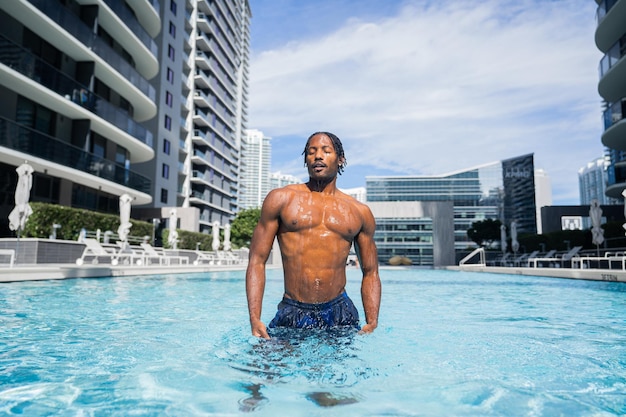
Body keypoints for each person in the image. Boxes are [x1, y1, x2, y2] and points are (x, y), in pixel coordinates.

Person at [246, 131, 381, 339]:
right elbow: (256, 261)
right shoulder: (282, 199)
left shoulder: (359, 211)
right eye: (311, 152)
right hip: (293, 309)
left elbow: (370, 271)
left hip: (339, 311)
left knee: (340, 371)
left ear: (340, 159)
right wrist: (254, 318)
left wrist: (372, 321)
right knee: (268, 368)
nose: (318, 156)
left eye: (326, 151)